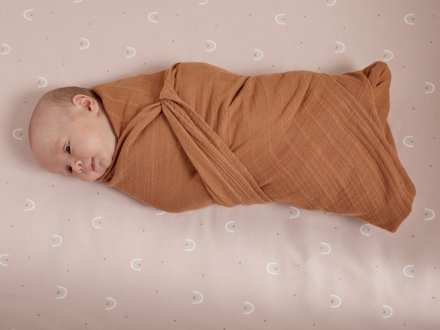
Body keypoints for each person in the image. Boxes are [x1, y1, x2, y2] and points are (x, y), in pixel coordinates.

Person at [28, 61, 416, 232]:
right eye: (66, 171)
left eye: (67, 150)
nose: (77, 168)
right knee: (313, 168)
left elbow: (209, 89)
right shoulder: (128, 175)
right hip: (249, 173)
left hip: (245, 116)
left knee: (281, 116)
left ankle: (344, 106)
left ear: (86, 105)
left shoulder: (158, 95)